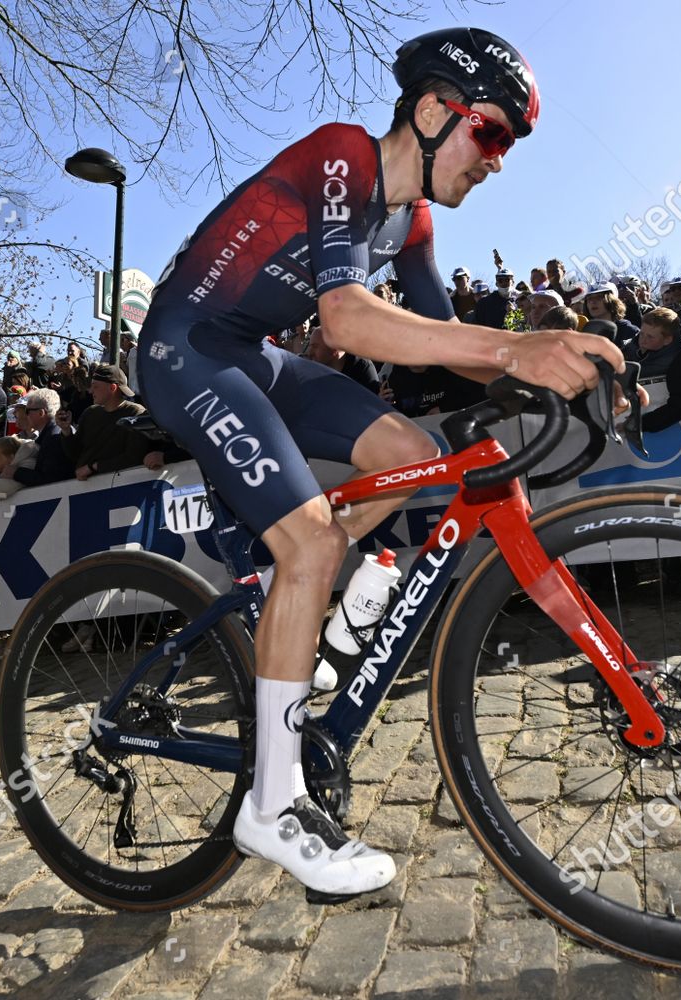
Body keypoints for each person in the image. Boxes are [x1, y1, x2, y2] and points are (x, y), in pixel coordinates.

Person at [135, 27, 632, 897]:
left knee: (418, 452)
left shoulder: (415, 220)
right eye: (494, 134)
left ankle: (307, 604)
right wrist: (520, 350)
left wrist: (564, 368)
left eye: (510, 144)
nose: (500, 160)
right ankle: (273, 803)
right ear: (435, 111)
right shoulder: (342, 158)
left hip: (252, 353)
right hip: (186, 348)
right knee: (314, 545)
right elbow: (348, 323)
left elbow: (444, 345)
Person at [625, 308, 681, 432]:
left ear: (667, 340)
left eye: (650, 337)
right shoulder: (628, 350)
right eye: (642, 334)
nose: (643, 340)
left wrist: (639, 424)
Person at [70, 365, 150, 478]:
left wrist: (94, 467)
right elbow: (75, 452)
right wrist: (66, 431)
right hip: (82, 487)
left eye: (96, 386)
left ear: (112, 388)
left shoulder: (135, 413)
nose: (91, 391)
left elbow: (133, 457)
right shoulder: (90, 413)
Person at [11, 387, 74, 487]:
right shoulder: (52, 433)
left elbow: (50, 480)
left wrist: (16, 472)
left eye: (27, 411)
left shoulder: (54, 438)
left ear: (41, 413)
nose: (26, 415)